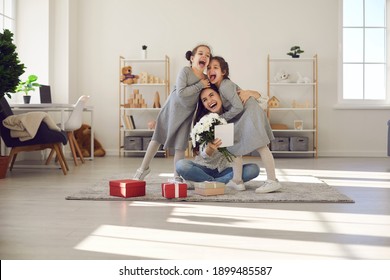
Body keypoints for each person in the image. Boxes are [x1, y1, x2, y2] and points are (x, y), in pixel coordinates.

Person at [133, 44, 212, 181]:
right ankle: (143, 168)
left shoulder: (206, 79)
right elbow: (181, 93)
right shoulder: (186, 71)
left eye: (208, 55)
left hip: (186, 116)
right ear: (192, 58)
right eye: (201, 53)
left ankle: (177, 176)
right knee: (156, 139)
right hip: (171, 111)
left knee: (180, 147)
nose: (204, 56)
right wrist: (200, 85)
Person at [206, 56, 281, 193]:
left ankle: (272, 180)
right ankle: (237, 181)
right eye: (209, 68)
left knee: (261, 146)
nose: (211, 70)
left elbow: (238, 107)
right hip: (244, 115)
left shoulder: (225, 85)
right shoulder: (220, 87)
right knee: (235, 147)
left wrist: (222, 119)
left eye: (215, 67)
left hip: (249, 113)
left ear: (223, 72)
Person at [176, 87, 260, 189]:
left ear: (220, 95)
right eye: (205, 100)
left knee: (253, 169)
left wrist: (249, 92)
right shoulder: (204, 122)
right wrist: (209, 149)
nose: (209, 100)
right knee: (181, 165)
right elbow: (203, 155)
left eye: (211, 95)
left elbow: (262, 101)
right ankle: (218, 183)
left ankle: (204, 183)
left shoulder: (234, 114)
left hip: (227, 169)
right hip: (204, 168)